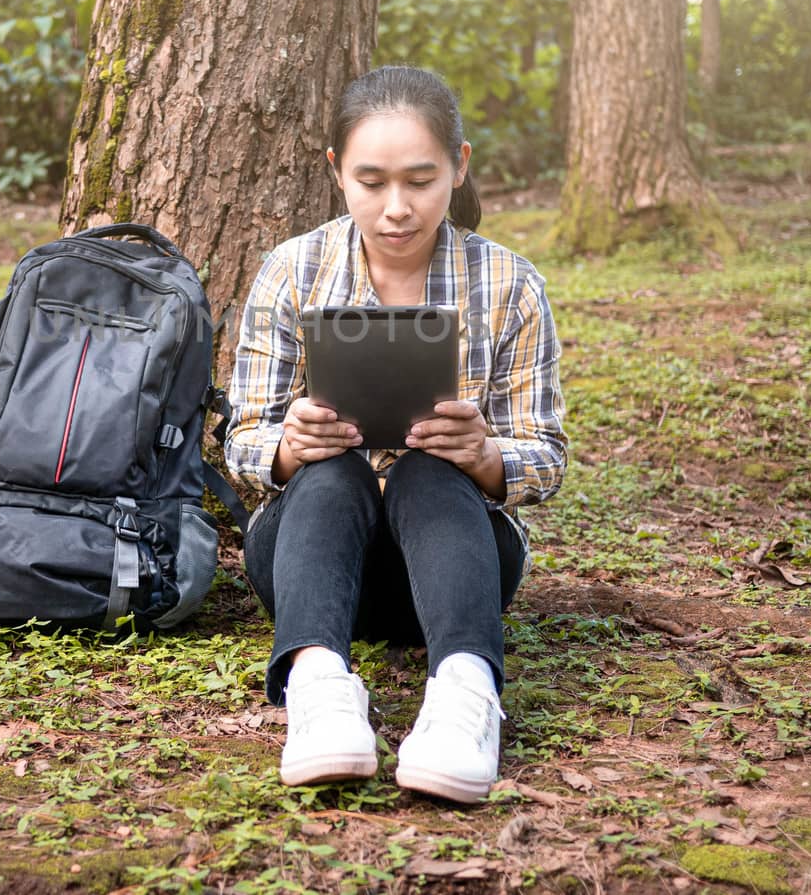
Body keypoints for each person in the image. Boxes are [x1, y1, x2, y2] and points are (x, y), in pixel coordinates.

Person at [224, 65, 568, 804]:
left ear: (459, 166)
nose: (397, 208)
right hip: (307, 562)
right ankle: (318, 690)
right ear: (336, 173)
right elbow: (242, 439)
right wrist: (289, 444)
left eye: (420, 180)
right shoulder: (293, 270)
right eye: (371, 181)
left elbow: (545, 452)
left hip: (454, 567)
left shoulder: (509, 284)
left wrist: (485, 456)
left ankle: (465, 694)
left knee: (427, 469)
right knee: (333, 470)